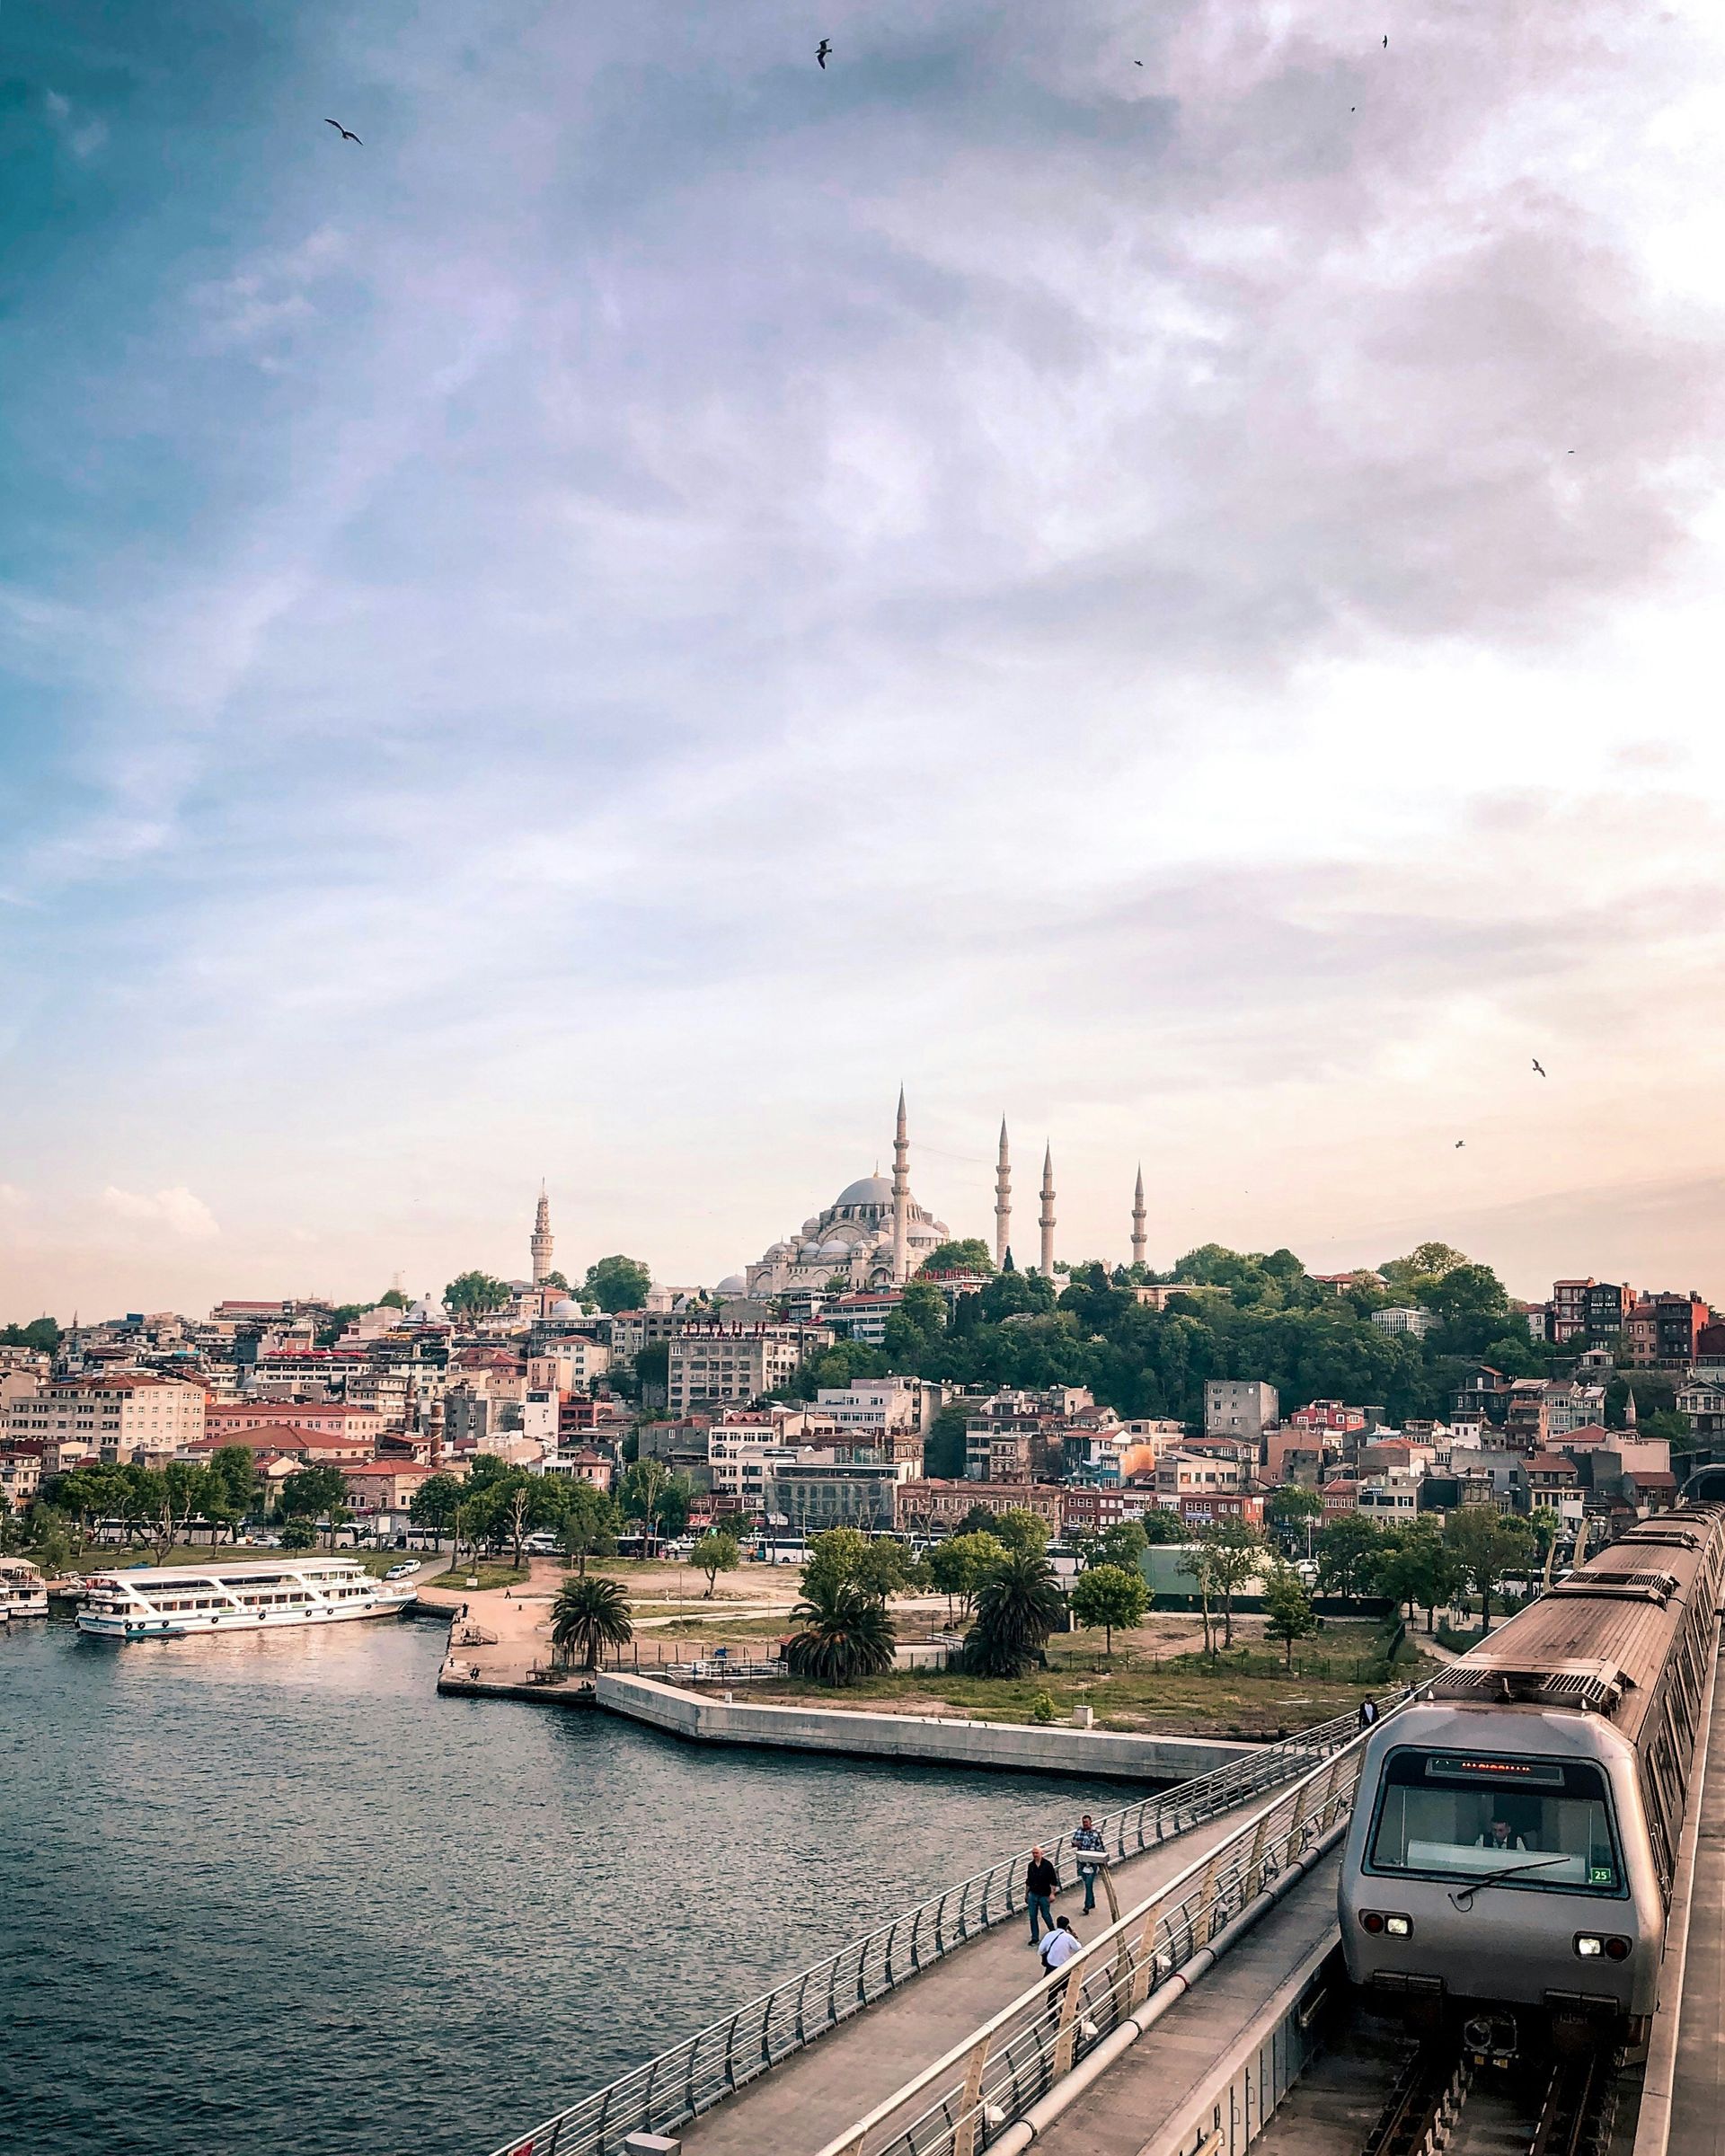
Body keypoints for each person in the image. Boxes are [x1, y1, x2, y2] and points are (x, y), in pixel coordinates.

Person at [1039, 1916, 1081, 2007]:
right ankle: (1072, 2008)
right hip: (1064, 1968)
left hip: (1051, 1967)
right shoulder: (1068, 1937)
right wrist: (1074, 1937)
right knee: (1068, 1990)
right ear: (1067, 1926)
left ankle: (1051, 2012)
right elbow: (1078, 1948)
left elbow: (1041, 1950)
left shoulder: (1049, 1935)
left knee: (1052, 1992)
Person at [1072, 1815, 1106, 1915]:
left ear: (1091, 1822)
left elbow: (1101, 1847)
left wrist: (1103, 1860)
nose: (1085, 1824)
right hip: (1082, 1861)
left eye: (1086, 1822)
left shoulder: (1096, 1833)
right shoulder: (1079, 1831)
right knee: (1087, 1882)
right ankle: (1092, 1902)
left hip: (1092, 1862)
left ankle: (1087, 1905)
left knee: (1088, 1883)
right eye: (1083, 1822)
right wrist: (1076, 1843)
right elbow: (1073, 1842)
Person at [1025, 1847, 1058, 1945]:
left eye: (1036, 1853)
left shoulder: (1048, 1865)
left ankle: (1053, 1931)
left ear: (1041, 1853)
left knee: (1045, 1914)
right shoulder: (1030, 1866)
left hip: (1044, 1894)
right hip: (1033, 1894)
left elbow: (1053, 1881)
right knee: (1032, 1916)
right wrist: (1026, 1894)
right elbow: (1028, 1881)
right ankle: (1035, 1937)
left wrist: (1052, 1894)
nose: (1035, 1855)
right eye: (1033, 1853)